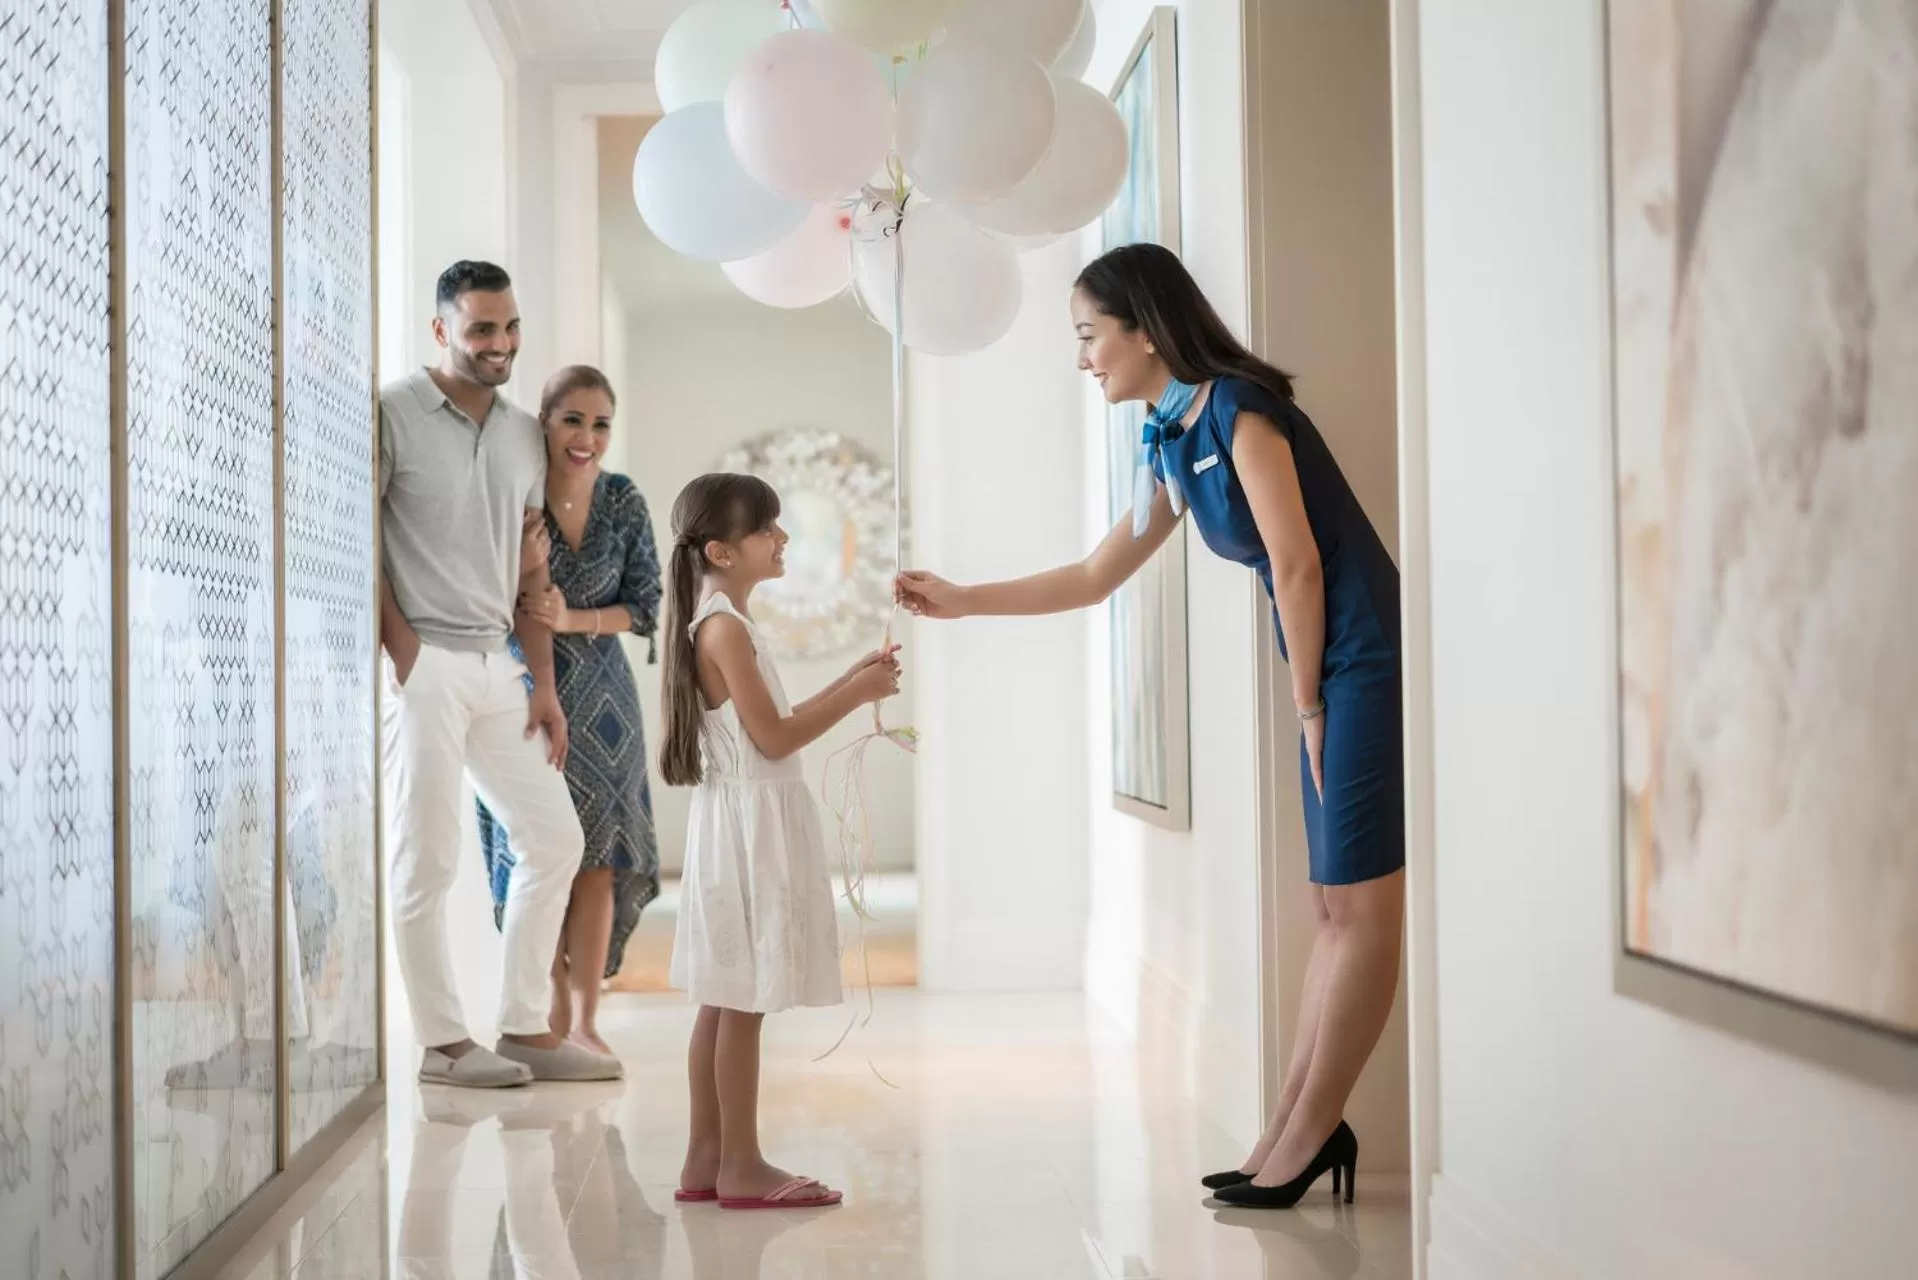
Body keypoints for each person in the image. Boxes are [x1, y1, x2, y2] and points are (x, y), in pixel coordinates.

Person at [895, 243, 1404, 1209]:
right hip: (1329, 668)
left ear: (1144, 329)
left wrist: (1310, 707)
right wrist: (961, 599)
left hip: (1362, 661)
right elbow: (1095, 576)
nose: (1084, 358)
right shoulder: (1173, 436)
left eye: (1090, 335)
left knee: (1364, 911)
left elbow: (1297, 567)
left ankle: (1304, 1137)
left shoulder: (1241, 412)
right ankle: (1295, 1128)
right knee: (1333, 910)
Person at [379, 260, 617, 1087]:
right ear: (441, 329)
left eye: (510, 327)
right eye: (482, 328)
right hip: (426, 668)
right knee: (428, 858)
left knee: (555, 837)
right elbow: (359, 540)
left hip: (499, 664)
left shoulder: (523, 434)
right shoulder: (392, 412)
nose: (501, 344)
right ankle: (443, 1045)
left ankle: (523, 1028)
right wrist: (402, 648)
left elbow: (530, 574)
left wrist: (543, 686)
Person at [660, 473, 901, 1210]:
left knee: (721, 996)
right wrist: (856, 694)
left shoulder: (717, 619)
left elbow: (760, 726)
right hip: (752, 831)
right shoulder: (726, 626)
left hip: (733, 822)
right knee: (742, 1004)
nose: (783, 539)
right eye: (768, 529)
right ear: (721, 551)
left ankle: (706, 1158)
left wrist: (848, 677)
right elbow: (776, 736)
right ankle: (742, 1164)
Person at [479, 364, 664, 1064]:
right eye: (572, 420)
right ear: (545, 423)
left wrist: (574, 615)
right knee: (542, 851)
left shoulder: (622, 500)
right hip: (524, 687)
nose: (587, 437)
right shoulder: (514, 497)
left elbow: (645, 606)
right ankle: (542, 1012)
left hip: (608, 699)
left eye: (600, 423)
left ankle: (585, 1020)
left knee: (601, 860)